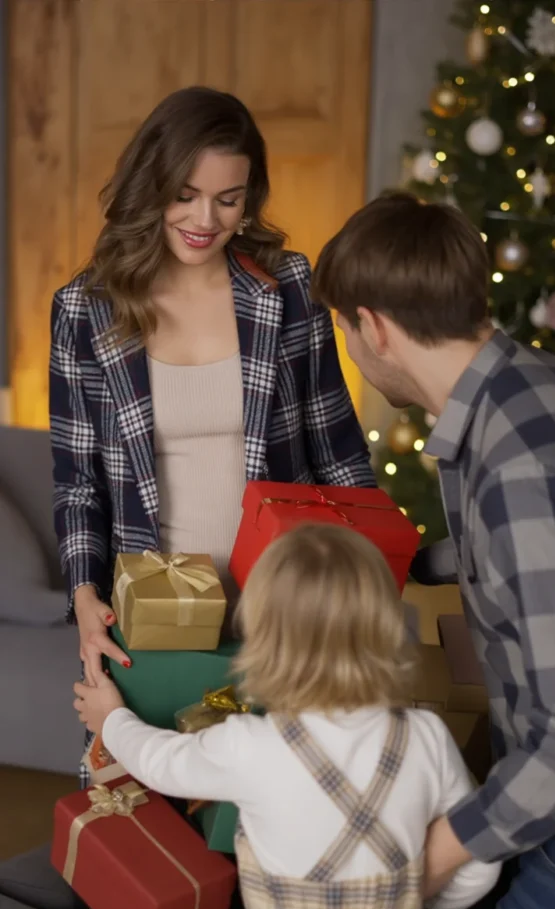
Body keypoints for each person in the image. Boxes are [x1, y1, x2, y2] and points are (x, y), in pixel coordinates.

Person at [49, 86, 375, 784]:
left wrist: (370, 579)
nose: (206, 219)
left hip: (285, 608)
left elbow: (339, 451)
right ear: (151, 186)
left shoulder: (287, 288)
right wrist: (83, 596)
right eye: (186, 195)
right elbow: (78, 483)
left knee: (277, 804)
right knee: (148, 817)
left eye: (229, 199)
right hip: (154, 614)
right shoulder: (83, 309)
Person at [311, 190, 555, 909]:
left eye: (346, 335)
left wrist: (439, 850)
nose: (352, 354)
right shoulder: (531, 393)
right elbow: (527, 555)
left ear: (375, 326)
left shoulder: (516, 468)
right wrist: (403, 562)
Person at [73, 523, 498, 909]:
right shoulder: (425, 736)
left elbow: (160, 761)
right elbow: (481, 856)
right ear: (385, 627)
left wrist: (112, 718)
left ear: (265, 637)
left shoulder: (252, 745)